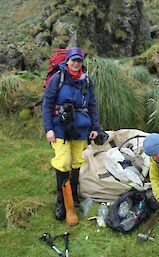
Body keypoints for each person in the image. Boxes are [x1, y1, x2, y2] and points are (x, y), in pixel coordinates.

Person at [42, 47, 103, 220]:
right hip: (59, 127)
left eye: (79, 60)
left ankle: (74, 196)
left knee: (77, 162)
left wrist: (95, 128)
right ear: (67, 61)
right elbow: (47, 104)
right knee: (63, 162)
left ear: (81, 62)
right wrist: (49, 129)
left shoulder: (87, 81)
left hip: (81, 128)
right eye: (73, 60)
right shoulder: (58, 79)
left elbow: (92, 106)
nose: (76, 63)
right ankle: (62, 203)